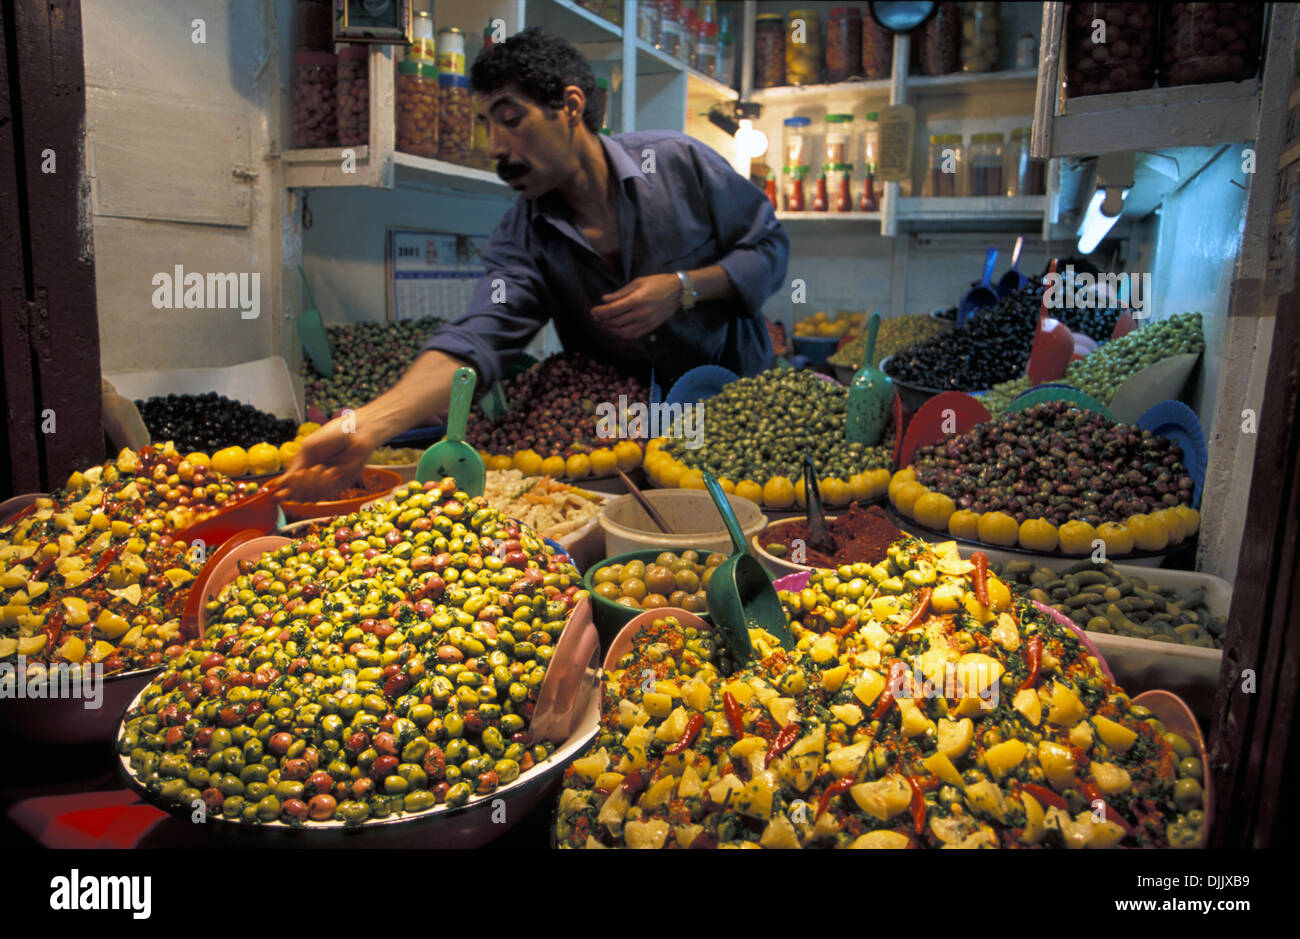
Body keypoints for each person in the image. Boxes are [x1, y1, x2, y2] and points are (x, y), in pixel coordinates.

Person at [281, 27, 789, 499]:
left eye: (511, 120)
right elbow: (478, 339)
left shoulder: (678, 165)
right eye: (487, 126)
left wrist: (684, 287)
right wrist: (365, 424)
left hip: (738, 411)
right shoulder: (522, 237)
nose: (496, 147)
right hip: (627, 435)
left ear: (570, 106)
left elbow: (768, 249)